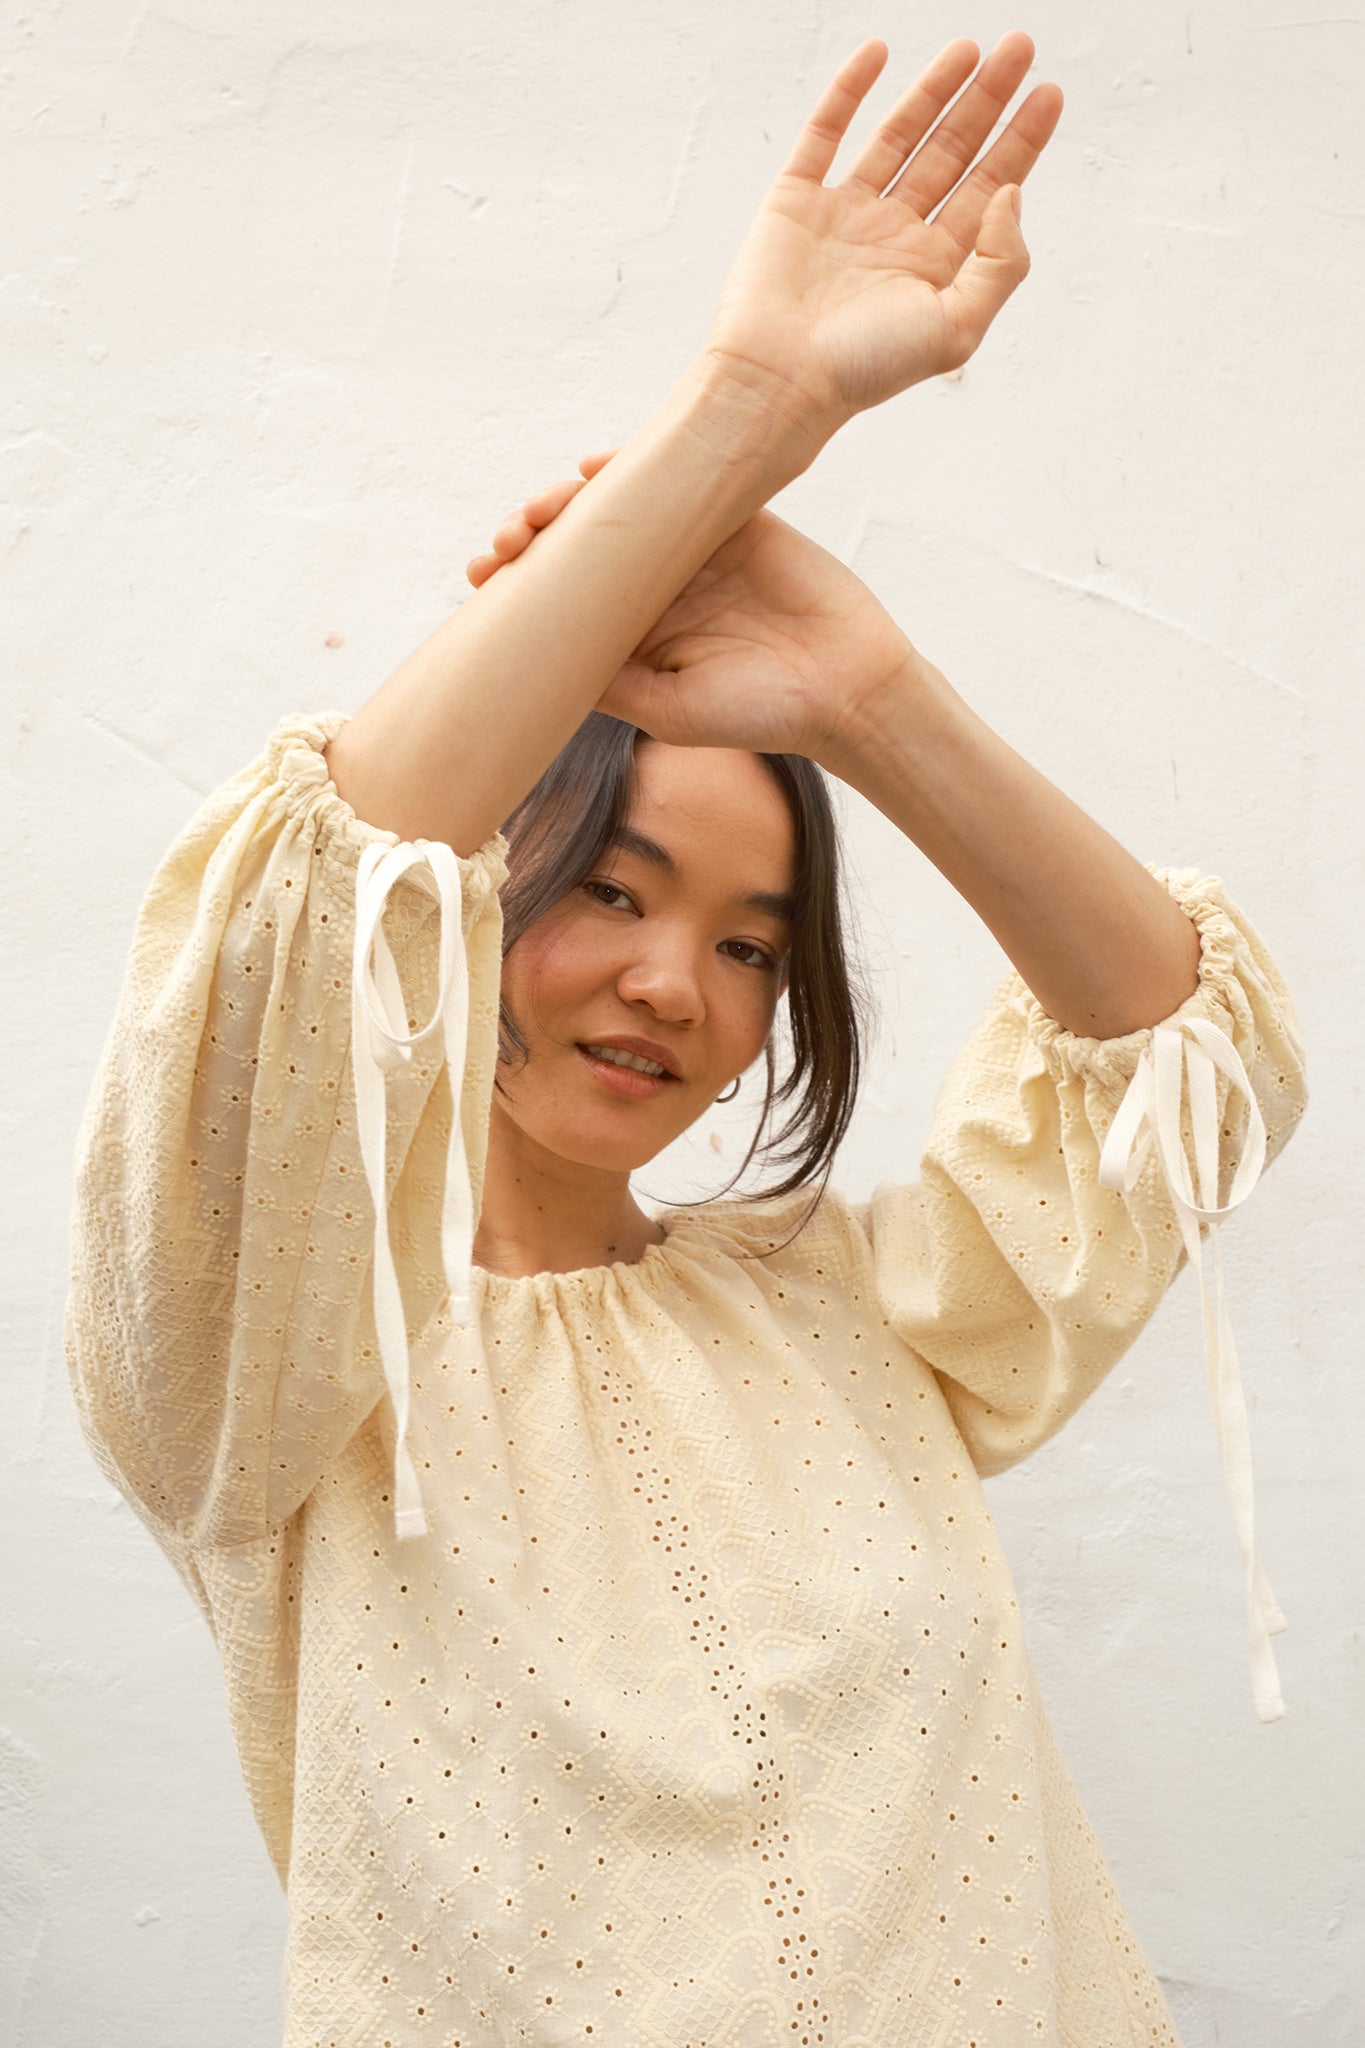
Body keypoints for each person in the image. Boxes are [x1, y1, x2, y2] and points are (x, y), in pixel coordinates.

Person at [64, 30, 1307, 2046]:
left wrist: (867, 696)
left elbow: (1181, 1066)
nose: (672, 982)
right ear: (473, 895)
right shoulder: (264, 1368)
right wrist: (745, 410)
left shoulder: (847, 1312)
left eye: (748, 942)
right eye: (611, 889)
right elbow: (314, 893)